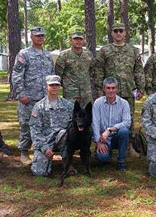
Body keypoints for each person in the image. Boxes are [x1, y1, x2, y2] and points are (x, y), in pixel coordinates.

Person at [95, 22, 145, 157]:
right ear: (111, 33)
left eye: (121, 31)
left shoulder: (133, 50)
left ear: (125, 33)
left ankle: (128, 146)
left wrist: (140, 87)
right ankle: (101, 142)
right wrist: (100, 90)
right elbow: (99, 71)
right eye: (115, 31)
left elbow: (138, 70)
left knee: (128, 120)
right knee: (104, 118)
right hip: (110, 91)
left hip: (128, 90)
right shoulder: (105, 50)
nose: (118, 33)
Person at [11, 26, 54, 165]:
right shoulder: (24, 54)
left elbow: (51, 76)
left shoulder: (47, 55)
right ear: (31, 37)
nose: (40, 38)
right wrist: (21, 93)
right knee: (26, 125)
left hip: (44, 99)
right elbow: (17, 75)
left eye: (42, 35)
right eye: (37, 36)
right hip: (28, 99)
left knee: (44, 126)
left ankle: (40, 151)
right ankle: (24, 152)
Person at [29, 75, 74, 176]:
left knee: (65, 133)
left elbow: (73, 124)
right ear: (46, 86)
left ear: (59, 87)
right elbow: (34, 130)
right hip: (45, 141)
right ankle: (46, 163)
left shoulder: (68, 105)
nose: (54, 87)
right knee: (39, 172)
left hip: (62, 139)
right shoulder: (39, 107)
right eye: (51, 85)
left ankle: (66, 162)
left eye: (56, 85)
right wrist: (44, 148)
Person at [92, 77, 131, 171]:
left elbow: (127, 122)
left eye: (113, 88)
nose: (111, 90)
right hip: (103, 139)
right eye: (108, 88)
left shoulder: (124, 103)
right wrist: (98, 142)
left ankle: (121, 162)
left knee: (124, 131)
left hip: (117, 136)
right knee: (103, 158)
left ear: (116, 89)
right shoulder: (98, 103)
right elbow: (95, 123)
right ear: (104, 89)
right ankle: (103, 154)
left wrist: (109, 130)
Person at [55, 30, 95, 107]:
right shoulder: (64, 55)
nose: (78, 41)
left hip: (86, 93)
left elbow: (92, 71)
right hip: (71, 94)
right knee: (71, 115)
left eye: (80, 39)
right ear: (71, 40)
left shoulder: (88, 55)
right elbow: (58, 74)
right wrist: (68, 85)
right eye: (76, 39)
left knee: (88, 115)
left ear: (84, 40)